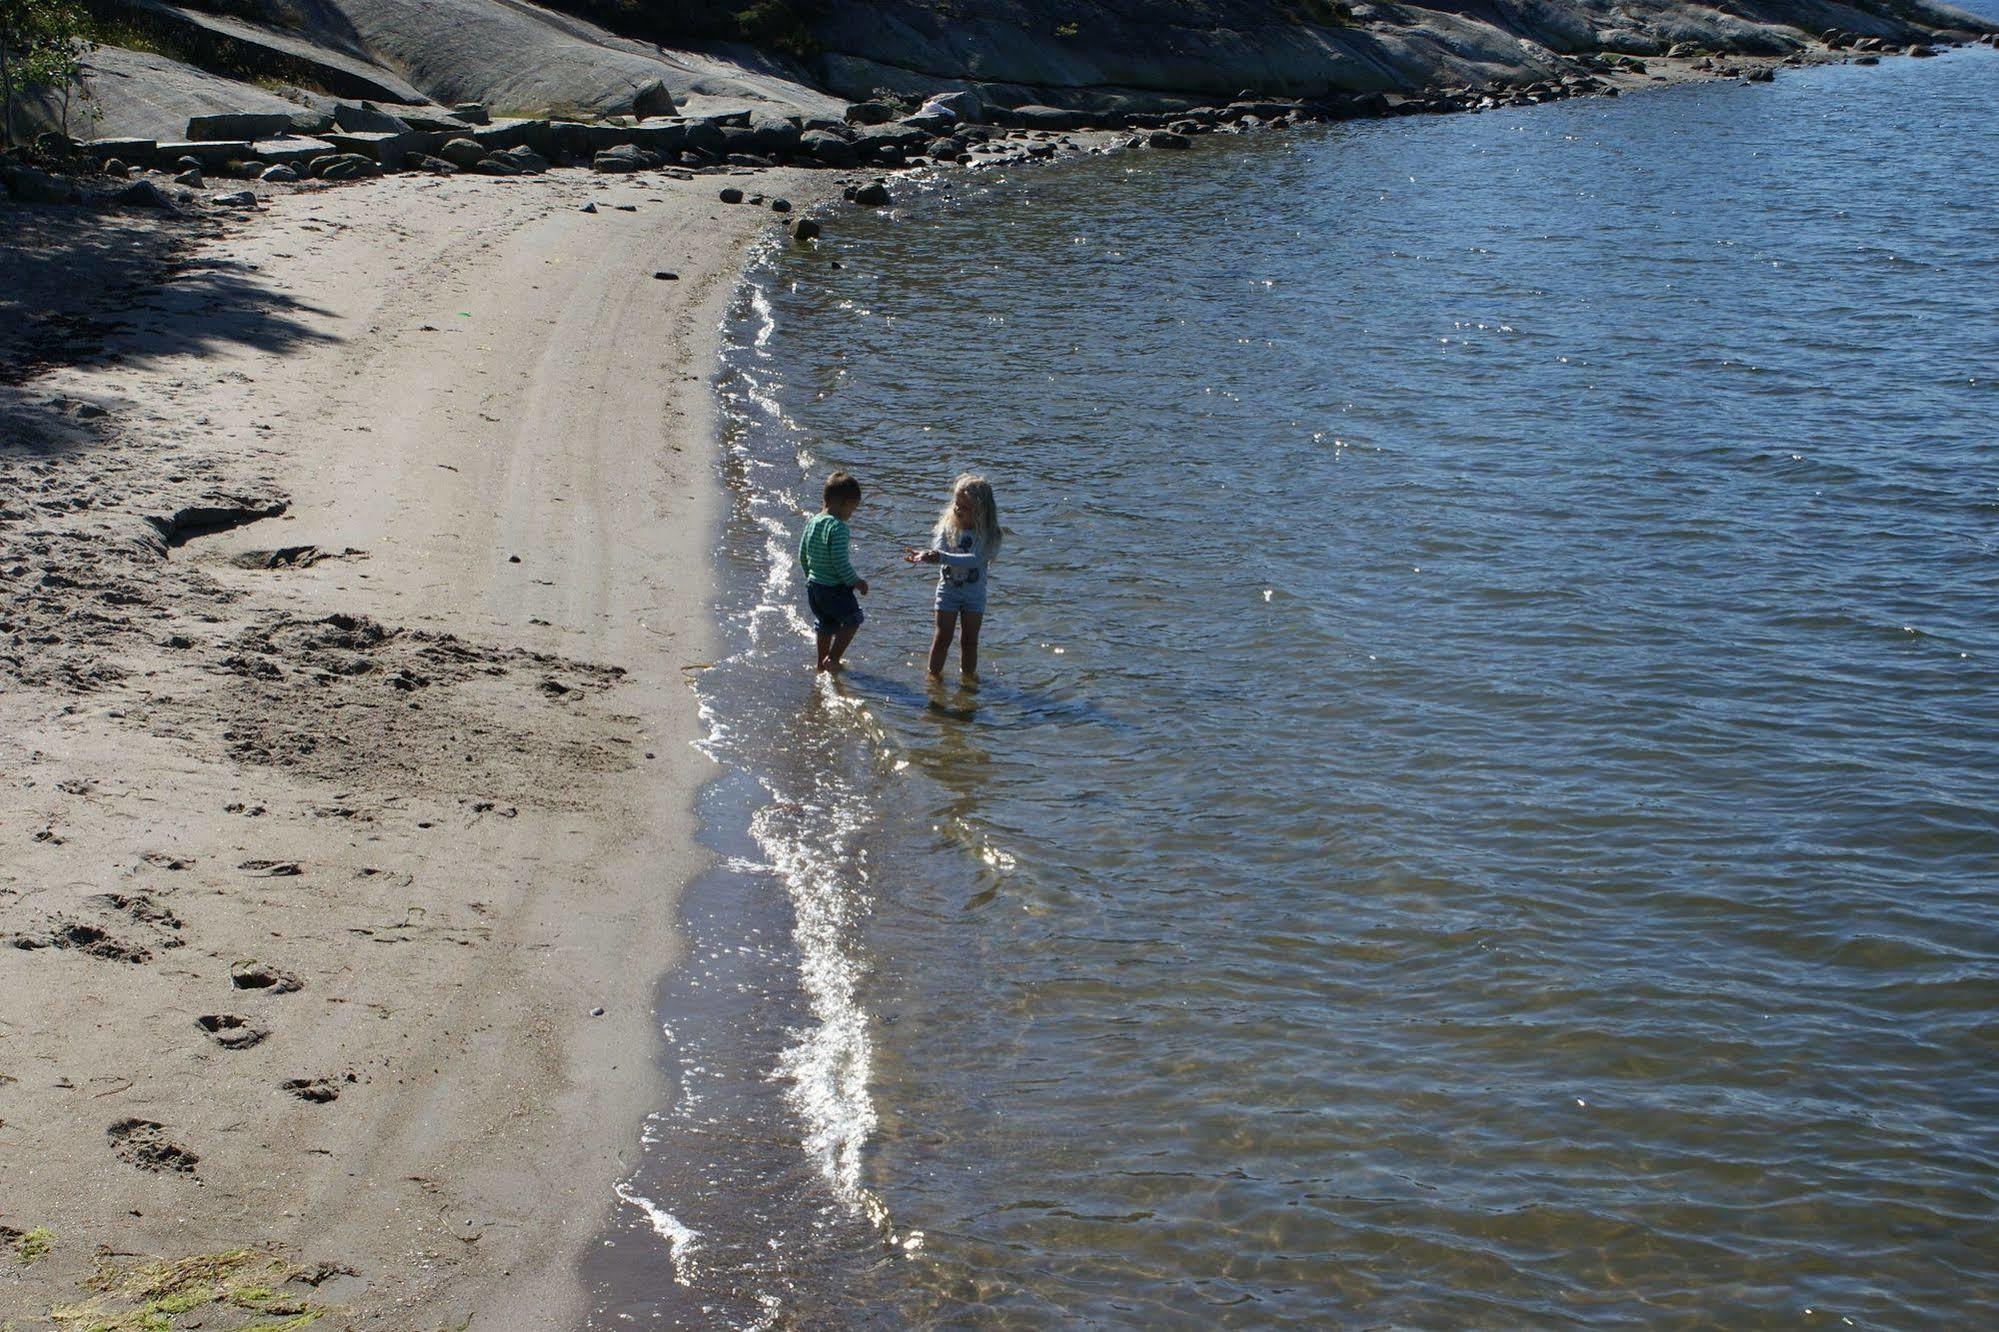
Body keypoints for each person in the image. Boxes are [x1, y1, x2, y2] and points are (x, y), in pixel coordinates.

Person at [905, 474, 1001, 679]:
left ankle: (967, 682)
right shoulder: (947, 526)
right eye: (956, 504)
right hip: (947, 591)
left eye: (964, 507)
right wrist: (928, 556)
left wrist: (941, 557)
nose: (957, 509)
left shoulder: (989, 534)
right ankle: (933, 680)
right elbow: (938, 550)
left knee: (969, 641)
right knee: (942, 637)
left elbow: (974, 559)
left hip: (974, 595)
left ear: (980, 512)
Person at [799, 471, 869, 672]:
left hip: (814, 587)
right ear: (845, 504)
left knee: (825, 624)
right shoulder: (838, 528)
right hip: (834, 589)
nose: (851, 514)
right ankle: (833, 658)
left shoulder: (813, 522)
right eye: (853, 509)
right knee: (854, 619)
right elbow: (840, 562)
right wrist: (856, 581)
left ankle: (821, 663)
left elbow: (802, 553)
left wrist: (810, 576)